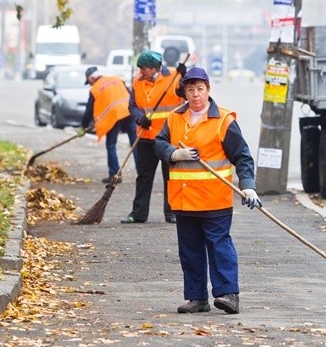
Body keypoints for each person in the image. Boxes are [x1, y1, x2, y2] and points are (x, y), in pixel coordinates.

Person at [154, 66, 262, 315]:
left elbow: (242, 157)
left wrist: (248, 187)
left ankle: (228, 294)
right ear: (184, 92)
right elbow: (159, 143)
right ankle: (196, 298)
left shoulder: (223, 121)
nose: (195, 94)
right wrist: (173, 153)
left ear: (208, 90)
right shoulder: (174, 118)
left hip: (214, 200)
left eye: (199, 89)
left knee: (219, 247)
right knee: (190, 251)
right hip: (184, 200)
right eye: (190, 89)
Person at [122, 50, 186, 224]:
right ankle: (139, 213)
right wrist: (138, 118)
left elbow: (186, 93)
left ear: (154, 68)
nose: (141, 72)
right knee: (143, 176)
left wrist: (185, 76)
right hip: (145, 136)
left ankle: (172, 212)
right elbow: (133, 105)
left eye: (144, 69)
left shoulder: (174, 77)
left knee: (170, 177)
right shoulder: (138, 81)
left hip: (167, 138)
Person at [78, 66, 137, 184]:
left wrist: (83, 127)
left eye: (88, 81)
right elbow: (130, 94)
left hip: (114, 117)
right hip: (129, 112)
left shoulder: (95, 89)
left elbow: (89, 110)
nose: (89, 84)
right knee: (135, 144)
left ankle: (115, 174)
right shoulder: (117, 79)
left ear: (92, 78)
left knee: (111, 145)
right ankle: (143, 172)